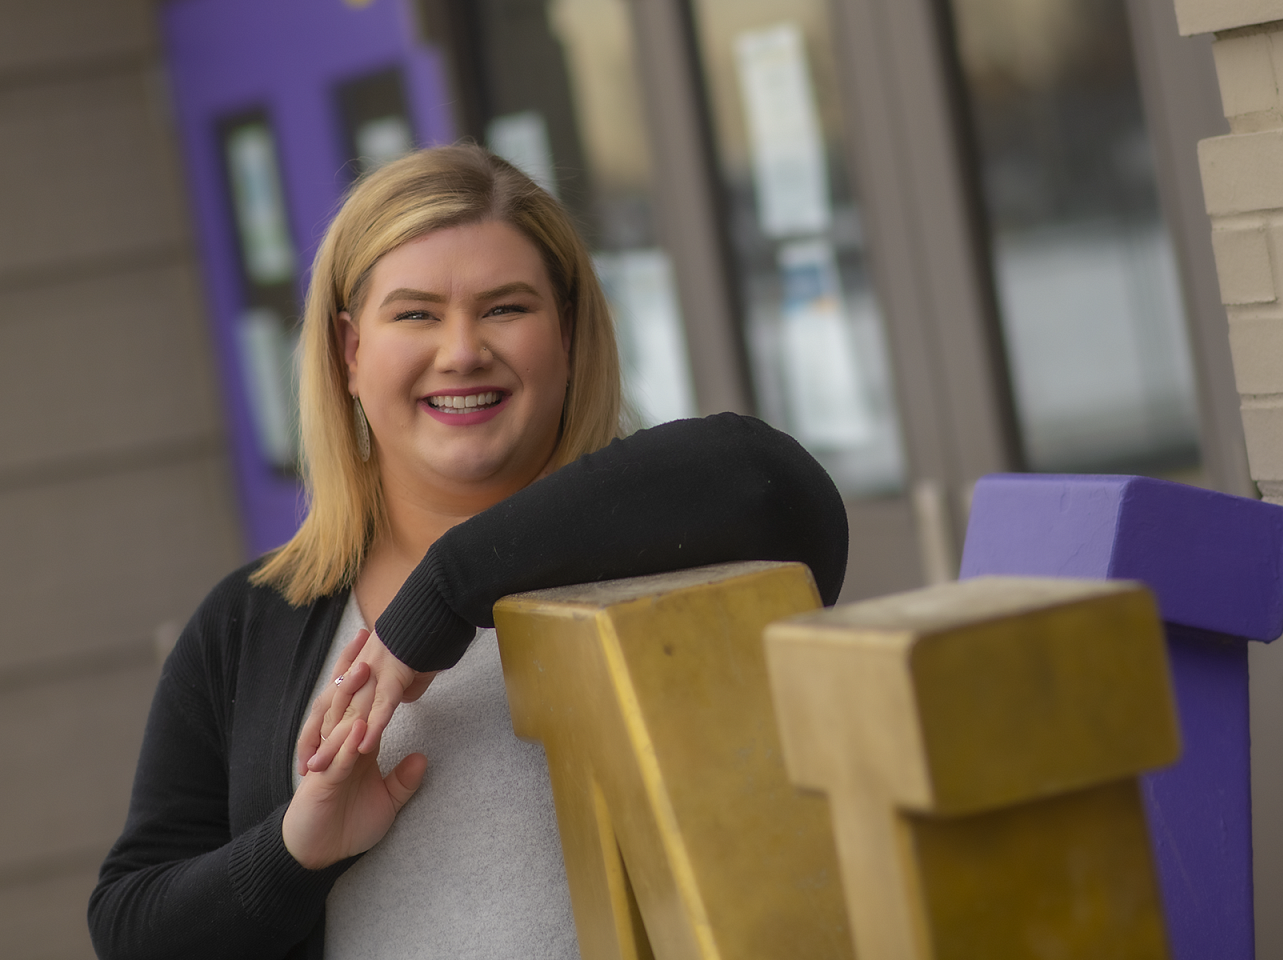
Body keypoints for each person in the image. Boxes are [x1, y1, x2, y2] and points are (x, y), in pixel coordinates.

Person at [87, 145, 847, 960]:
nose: (461, 352)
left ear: (569, 333)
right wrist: (292, 851)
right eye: (415, 314)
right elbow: (132, 928)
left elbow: (774, 485)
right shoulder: (250, 622)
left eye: (506, 309)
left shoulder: (664, 545)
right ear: (349, 352)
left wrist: (446, 591)